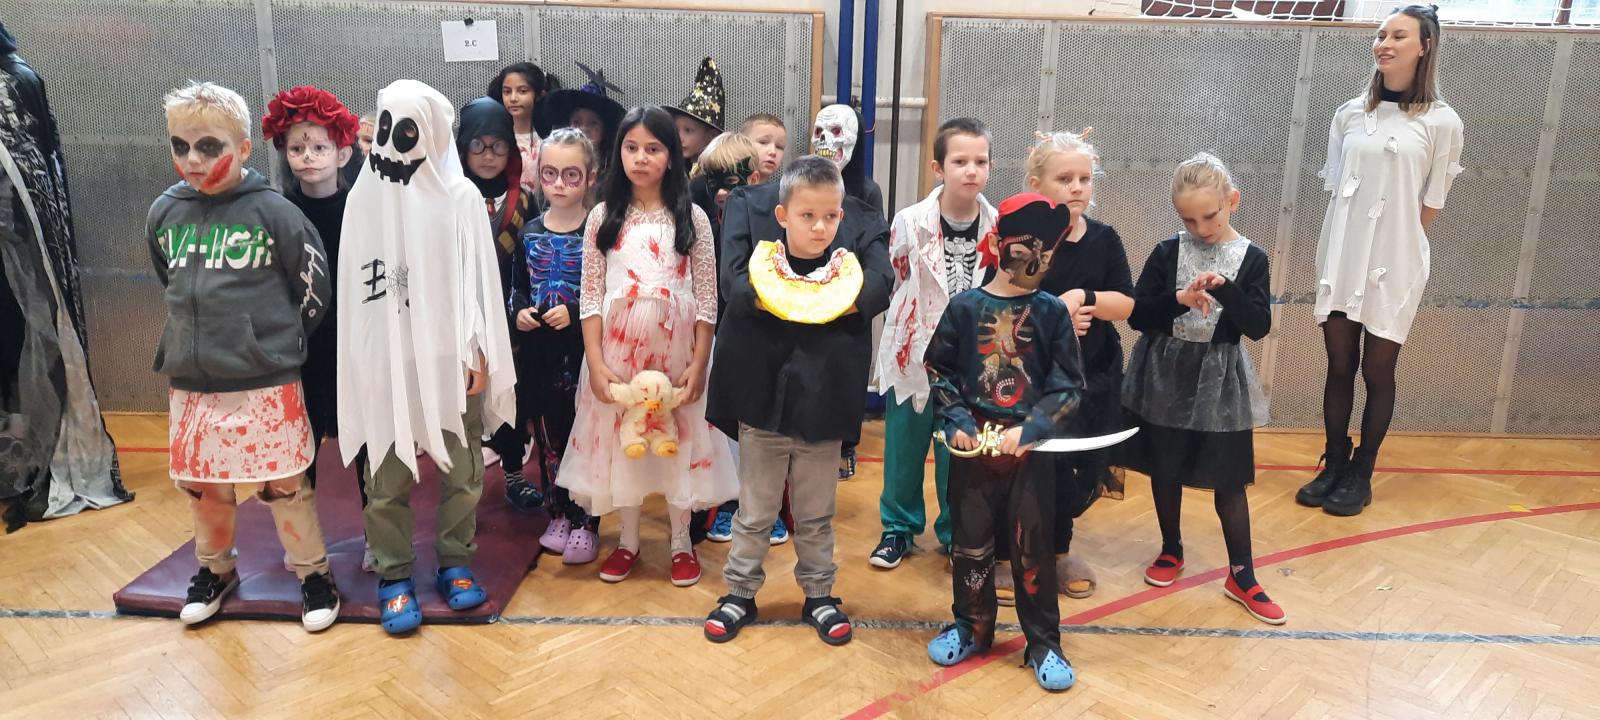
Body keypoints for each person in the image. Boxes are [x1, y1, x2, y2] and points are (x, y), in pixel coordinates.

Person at [149, 81, 338, 631]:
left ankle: (314, 576)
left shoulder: (275, 212)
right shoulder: (164, 212)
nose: (193, 159)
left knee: (285, 485)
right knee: (205, 488)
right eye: (180, 146)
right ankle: (215, 569)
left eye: (209, 146)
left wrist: (270, 344)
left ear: (244, 147)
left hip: (265, 376)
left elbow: (313, 289)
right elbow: (168, 279)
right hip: (192, 378)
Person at [702, 155, 892, 645]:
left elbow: (880, 282)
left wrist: (833, 302)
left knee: (816, 512)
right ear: (784, 216)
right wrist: (787, 300)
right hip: (761, 391)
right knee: (755, 509)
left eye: (829, 217)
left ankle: (820, 594)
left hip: (826, 392)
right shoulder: (748, 210)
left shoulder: (864, 225)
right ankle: (739, 592)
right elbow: (734, 283)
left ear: (841, 215)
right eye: (808, 216)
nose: (820, 226)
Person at [1298, 3, 1464, 517]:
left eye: (1398, 36)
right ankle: (1334, 462)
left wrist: (1397, 246)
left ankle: (1362, 471)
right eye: (1380, 34)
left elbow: (1432, 200)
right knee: (1339, 363)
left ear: (1425, 47)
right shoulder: (1349, 113)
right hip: (1343, 253)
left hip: (1396, 258)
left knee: (1377, 368)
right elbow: (1335, 188)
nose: (1384, 44)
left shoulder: (1442, 121)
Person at [923, 193, 1085, 692]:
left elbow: (1068, 386)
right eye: (1025, 250)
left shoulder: (1052, 313)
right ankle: (971, 627)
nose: (1035, 262)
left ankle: (1044, 643)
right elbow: (939, 370)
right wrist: (956, 420)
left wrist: (1031, 429)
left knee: (1034, 550)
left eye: (1046, 254)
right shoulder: (964, 308)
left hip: (1029, 456)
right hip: (973, 452)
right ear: (997, 244)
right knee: (970, 547)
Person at [1121, 153, 1283, 626]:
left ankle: (1242, 573)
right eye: (1188, 219)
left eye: (1210, 216)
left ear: (1233, 201)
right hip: (1164, 372)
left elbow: (1258, 326)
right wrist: (1179, 299)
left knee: (1229, 478)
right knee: (1165, 466)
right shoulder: (1166, 252)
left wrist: (1227, 290)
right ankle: (1171, 548)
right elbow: (1137, 315)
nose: (1201, 228)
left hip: (1220, 378)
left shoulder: (1253, 258)